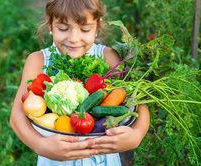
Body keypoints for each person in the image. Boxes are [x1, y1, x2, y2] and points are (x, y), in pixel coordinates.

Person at [9, 0, 150, 165]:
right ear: (50, 24)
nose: (74, 39)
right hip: (55, 159)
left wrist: (137, 135)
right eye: (63, 28)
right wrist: (40, 145)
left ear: (97, 26)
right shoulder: (38, 61)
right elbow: (16, 116)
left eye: (85, 29)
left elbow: (140, 106)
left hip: (102, 159)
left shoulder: (110, 57)